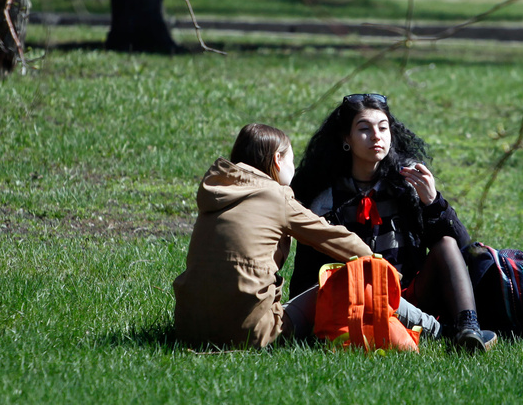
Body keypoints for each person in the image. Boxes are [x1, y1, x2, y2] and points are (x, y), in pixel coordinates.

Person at [290, 93, 496, 351]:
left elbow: (462, 247)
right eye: (364, 129)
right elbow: (307, 275)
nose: (376, 136)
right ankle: (441, 332)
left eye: (383, 128)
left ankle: (468, 329)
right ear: (346, 139)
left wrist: (433, 202)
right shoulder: (326, 199)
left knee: (445, 243)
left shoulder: (406, 185)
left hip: (409, 296)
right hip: (356, 298)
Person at [172, 123, 373, 348]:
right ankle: (408, 319)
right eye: (292, 160)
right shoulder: (276, 196)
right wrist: (378, 263)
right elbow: (333, 238)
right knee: (338, 283)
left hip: (188, 328)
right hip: (250, 333)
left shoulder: (217, 191)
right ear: (278, 159)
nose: (293, 168)